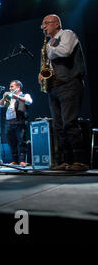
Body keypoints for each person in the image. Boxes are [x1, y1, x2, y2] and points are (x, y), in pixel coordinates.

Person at [40, 14, 87, 171]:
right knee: (58, 125)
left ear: (56, 24)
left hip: (69, 83)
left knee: (69, 122)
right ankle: (65, 160)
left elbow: (65, 51)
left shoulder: (67, 34)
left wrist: (51, 47)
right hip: (54, 87)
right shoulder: (48, 44)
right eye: (43, 24)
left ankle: (80, 160)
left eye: (46, 23)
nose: (43, 27)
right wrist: (42, 72)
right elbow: (50, 62)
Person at [0, 80, 33, 166]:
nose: (10, 88)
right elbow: (0, 105)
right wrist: (4, 97)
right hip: (9, 123)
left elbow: (29, 101)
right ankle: (15, 160)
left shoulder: (25, 95)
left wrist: (15, 96)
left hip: (20, 122)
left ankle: (22, 161)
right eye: (10, 87)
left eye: (12, 86)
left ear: (18, 87)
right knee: (11, 143)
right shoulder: (9, 97)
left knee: (22, 142)